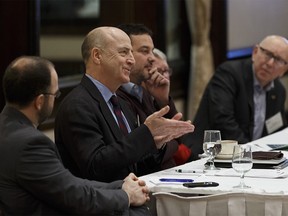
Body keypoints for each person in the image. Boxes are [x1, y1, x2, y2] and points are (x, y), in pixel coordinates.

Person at [0, 56, 151, 215]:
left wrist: (119, 186)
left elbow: (68, 183)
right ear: (40, 101)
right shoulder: (30, 144)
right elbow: (76, 197)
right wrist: (126, 196)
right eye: (55, 95)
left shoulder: (7, 128)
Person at [54, 26, 194, 183]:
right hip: (103, 203)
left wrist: (157, 143)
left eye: (131, 53)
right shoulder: (78, 105)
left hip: (133, 197)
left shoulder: (119, 102)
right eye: (123, 52)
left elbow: (134, 165)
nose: (131, 60)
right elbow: (95, 165)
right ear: (97, 56)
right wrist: (145, 134)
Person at [183, 35, 288, 161]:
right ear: (255, 52)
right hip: (211, 157)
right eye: (268, 54)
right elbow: (223, 121)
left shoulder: (278, 91)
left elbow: (276, 129)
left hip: (249, 160)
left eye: (278, 59)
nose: (270, 63)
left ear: (284, 70)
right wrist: (250, 153)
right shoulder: (229, 74)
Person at [116, 24, 184, 170]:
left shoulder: (144, 92)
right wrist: (167, 144)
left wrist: (163, 100)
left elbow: (179, 139)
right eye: (145, 51)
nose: (152, 58)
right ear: (125, 54)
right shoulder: (116, 96)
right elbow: (141, 156)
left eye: (152, 51)